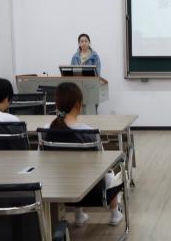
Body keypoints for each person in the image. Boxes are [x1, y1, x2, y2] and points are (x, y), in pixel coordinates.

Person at [45, 82, 123, 227]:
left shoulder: (45, 131)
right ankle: (115, 214)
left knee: (70, 170)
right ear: (78, 104)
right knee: (111, 173)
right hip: (91, 190)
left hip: (56, 187)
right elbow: (102, 163)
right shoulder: (88, 132)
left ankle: (79, 215)